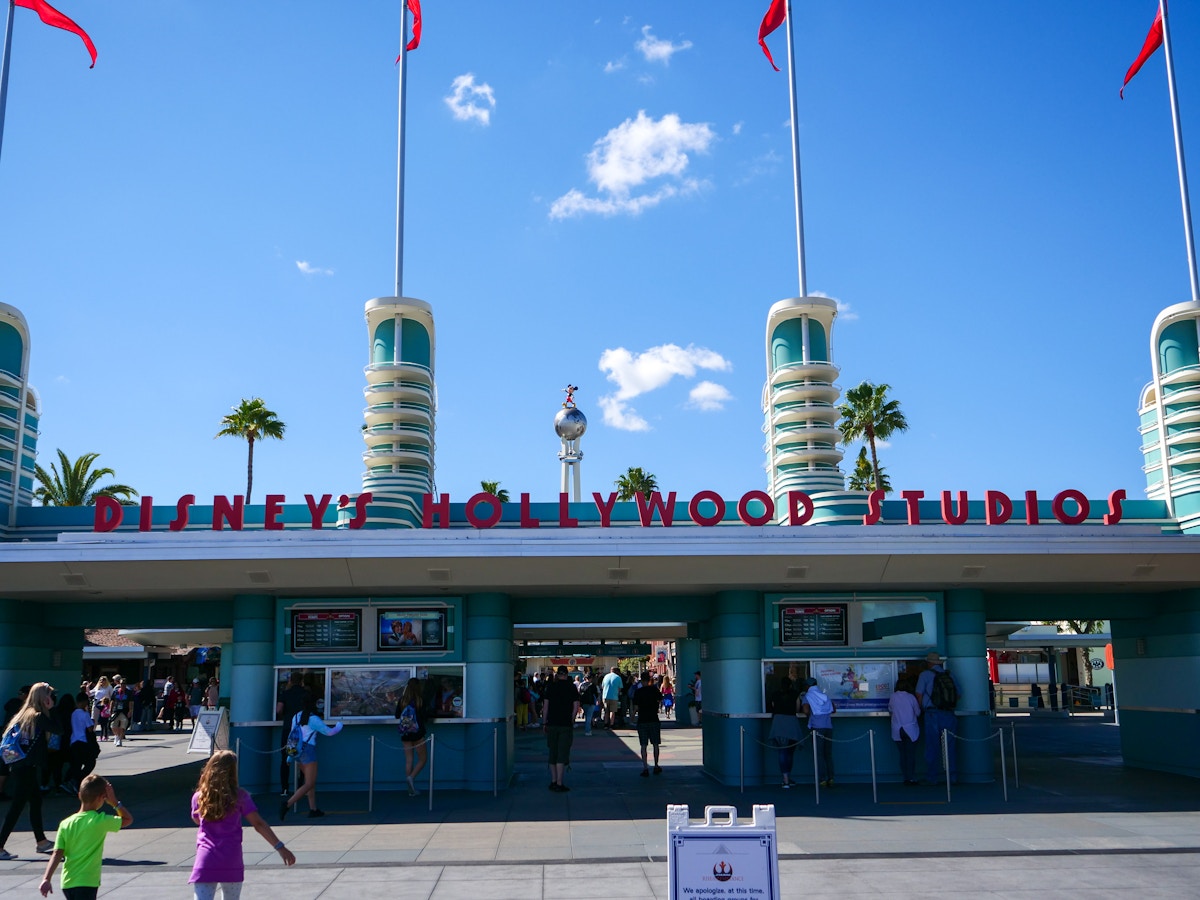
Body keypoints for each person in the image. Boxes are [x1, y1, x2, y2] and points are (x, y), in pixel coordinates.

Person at [190, 750, 295, 899]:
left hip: (206, 859)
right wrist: (280, 847)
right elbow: (258, 824)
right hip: (231, 858)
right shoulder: (240, 796)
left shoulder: (199, 797)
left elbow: (197, 819)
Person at [38, 773, 132, 899]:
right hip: (87, 881)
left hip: (68, 882)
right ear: (102, 798)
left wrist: (46, 879)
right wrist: (114, 802)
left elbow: (57, 853)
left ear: (79, 795)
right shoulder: (99, 821)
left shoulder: (65, 824)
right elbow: (127, 819)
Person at [0, 682, 61, 860]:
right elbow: (59, 729)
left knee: (35, 801)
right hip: (26, 766)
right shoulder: (38, 716)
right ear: (42, 697)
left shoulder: (23, 714)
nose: (51, 698)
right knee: (17, 807)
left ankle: (41, 841)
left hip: (20, 764)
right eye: (48, 695)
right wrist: (53, 709)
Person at [279, 695, 342, 821]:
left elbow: (292, 737)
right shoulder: (313, 719)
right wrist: (340, 724)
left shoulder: (296, 717)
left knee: (310, 781)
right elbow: (330, 732)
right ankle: (287, 804)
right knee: (309, 783)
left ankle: (313, 809)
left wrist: (289, 758)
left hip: (298, 752)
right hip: (309, 751)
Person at [915, 651, 960, 784]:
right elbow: (958, 694)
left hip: (932, 714)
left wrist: (921, 709)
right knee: (949, 746)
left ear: (929, 663)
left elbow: (919, 695)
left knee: (932, 746)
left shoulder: (924, 675)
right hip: (949, 714)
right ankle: (952, 776)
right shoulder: (949, 675)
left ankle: (932, 777)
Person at [543, 666, 579, 793]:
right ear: (567, 675)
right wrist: (572, 719)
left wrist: (544, 723)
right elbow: (576, 706)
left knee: (553, 752)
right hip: (565, 724)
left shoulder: (551, 687)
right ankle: (559, 782)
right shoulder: (572, 687)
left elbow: (545, 707)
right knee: (562, 753)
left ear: (557, 675)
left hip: (552, 723)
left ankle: (553, 781)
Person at [275, 672, 310, 798]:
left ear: (290, 680)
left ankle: (284, 788)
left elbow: (279, 709)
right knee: (303, 758)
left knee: (285, 758)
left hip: (288, 728)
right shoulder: (306, 694)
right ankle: (301, 787)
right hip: (303, 729)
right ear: (301, 681)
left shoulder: (285, 693)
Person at [767, 676, 803, 788]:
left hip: (778, 723)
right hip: (791, 723)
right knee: (790, 752)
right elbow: (797, 709)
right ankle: (788, 778)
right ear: (791, 685)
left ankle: (785, 779)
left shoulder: (775, 694)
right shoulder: (795, 694)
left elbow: (772, 707)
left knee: (782, 751)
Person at [801, 676, 836, 788]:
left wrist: (810, 714)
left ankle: (822, 779)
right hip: (828, 727)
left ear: (808, 686)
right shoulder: (824, 696)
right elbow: (833, 709)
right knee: (828, 754)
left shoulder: (808, 696)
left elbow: (806, 710)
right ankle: (831, 778)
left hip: (817, 728)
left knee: (819, 754)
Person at [394, 678, 427, 796]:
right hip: (417, 733)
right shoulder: (420, 700)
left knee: (409, 760)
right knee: (423, 759)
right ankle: (411, 778)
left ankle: (410, 788)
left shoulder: (402, 700)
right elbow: (425, 716)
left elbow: (397, 715)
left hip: (405, 733)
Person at [888, 677, 922, 785]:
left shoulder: (893, 697)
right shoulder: (911, 697)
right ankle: (911, 778)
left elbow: (890, 709)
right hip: (910, 728)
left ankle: (905, 778)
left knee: (902, 755)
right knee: (910, 754)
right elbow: (917, 712)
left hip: (897, 728)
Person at [63, 692, 98, 796]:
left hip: (74, 740)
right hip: (83, 741)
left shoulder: (73, 713)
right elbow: (90, 729)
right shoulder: (85, 714)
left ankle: (70, 780)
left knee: (76, 764)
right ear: (84, 702)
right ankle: (77, 781)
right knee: (90, 762)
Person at [632, 672, 663, 777]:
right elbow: (660, 699)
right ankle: (656, 765)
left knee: (643, 745)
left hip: (642, 720)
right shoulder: (654, 690)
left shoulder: (638, 692)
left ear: (642, 681)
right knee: (655, 744)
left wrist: (632, 718)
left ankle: (645, 767)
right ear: (650, 680)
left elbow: (636, 708)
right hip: (654, 719)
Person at [108, 678, 130, 747]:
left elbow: (131, 702)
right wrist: (110, 709)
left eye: (124, 684)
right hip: (116, 710)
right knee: (113, 725)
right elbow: (112, 701)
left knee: (123, 725)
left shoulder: (128, 692)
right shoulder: (116, 691)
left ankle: (119, 739)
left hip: (124, 710)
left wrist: (130, 711)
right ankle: (116, 736)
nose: (122, 685)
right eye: (121, 684)